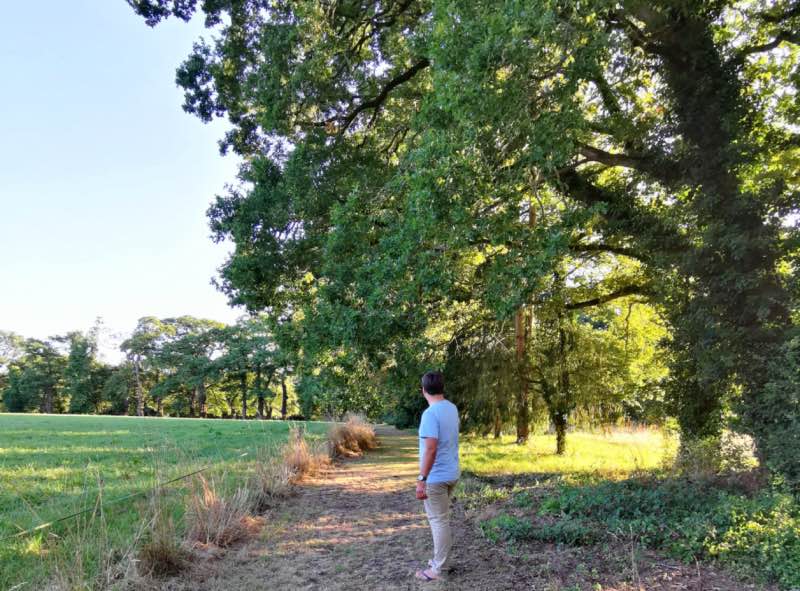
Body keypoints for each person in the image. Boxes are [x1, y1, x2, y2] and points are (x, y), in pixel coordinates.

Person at [414, 370, 460, 583]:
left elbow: (430, 449)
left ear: (423, 390)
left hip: (436, 478)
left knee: (438, 521)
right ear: (442, 388)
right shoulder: (451, 408)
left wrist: (422, 479)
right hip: (451, 473)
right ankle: (443, 562)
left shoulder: (430, 414)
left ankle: (438, 569)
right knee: (442, 519)